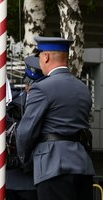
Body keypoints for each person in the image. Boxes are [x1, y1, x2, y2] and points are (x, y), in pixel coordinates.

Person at [16, 36, 95, 200]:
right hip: (82, 165)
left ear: (45, 57)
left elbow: (25, 132)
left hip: (52, 166)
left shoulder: (41, 88)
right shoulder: (83, 89)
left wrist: (24, 159)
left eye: (39, 56)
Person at [6, 56, 43, 200]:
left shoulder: (48, 103)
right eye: (29, 83)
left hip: (35, 178)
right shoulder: (13, 101)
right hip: (12, 178)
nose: (30, 87)